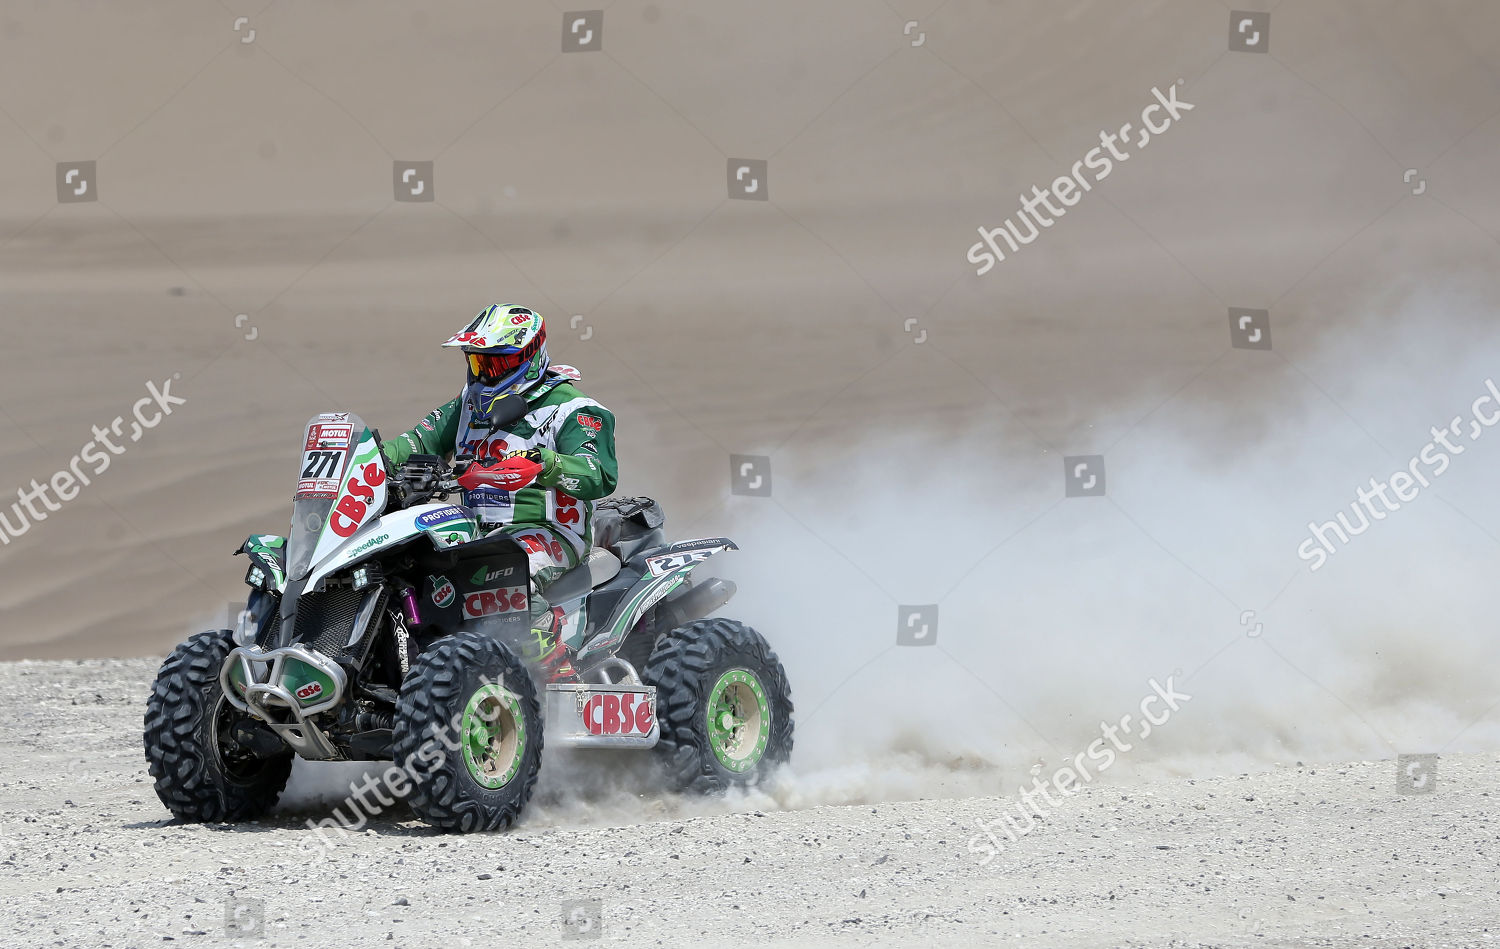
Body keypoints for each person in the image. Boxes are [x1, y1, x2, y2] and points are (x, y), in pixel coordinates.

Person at [381, 304, 618, 681]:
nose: (484, 373)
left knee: (503, 575)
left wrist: (545, 463)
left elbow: (598, 474)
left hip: (549, 533)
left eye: (495, 363)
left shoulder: (575, 409)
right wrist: (371, 458)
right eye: (477, 363)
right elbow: (416, 442)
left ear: (529, 358)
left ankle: (556, 671)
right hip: (474, 533)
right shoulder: (467, 405)